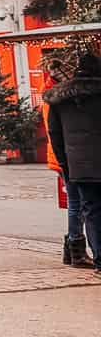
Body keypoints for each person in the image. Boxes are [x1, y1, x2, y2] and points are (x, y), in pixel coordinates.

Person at [45, 51, 101, 277]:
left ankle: (99, 260)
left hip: (79, 167)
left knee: (91, 211)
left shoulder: (59, 99)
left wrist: (65, 164)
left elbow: (54, 134)